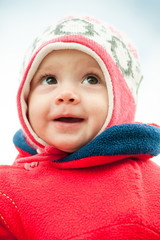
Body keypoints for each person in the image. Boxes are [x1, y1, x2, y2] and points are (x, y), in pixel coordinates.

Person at [0, 15, 160, 240]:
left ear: (121, 100)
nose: (66, 95)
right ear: (26, 99)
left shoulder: (147, 191)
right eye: (49, 80)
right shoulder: (8, 191)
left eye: (91, 79)